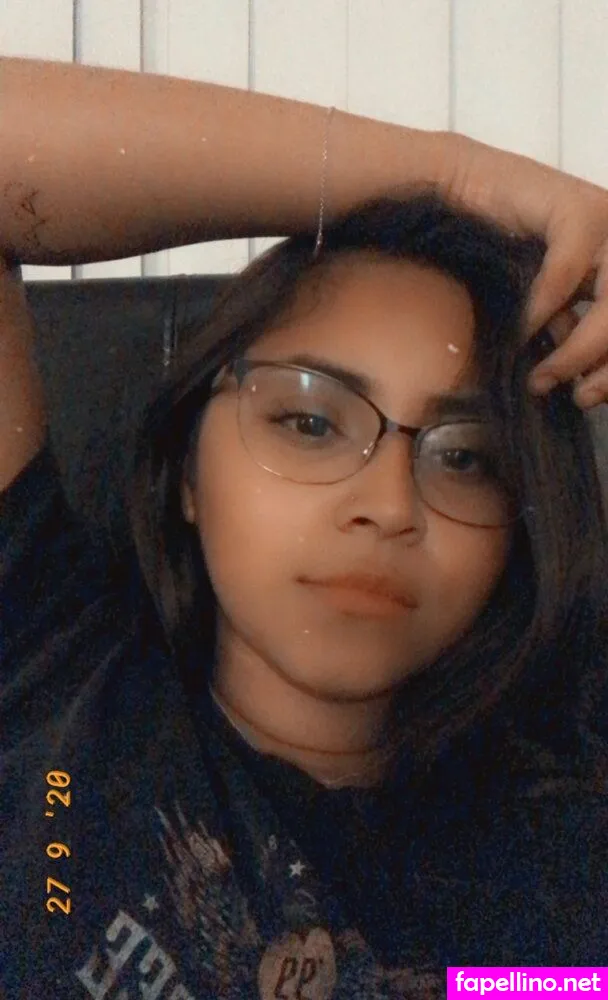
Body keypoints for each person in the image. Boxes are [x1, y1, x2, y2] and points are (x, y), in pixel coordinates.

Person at [0, 56, 607, 1000]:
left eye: (465, 456)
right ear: (188, 470)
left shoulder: (568, 874)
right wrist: (457, 179)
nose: (390, 507)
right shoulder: (48, 668)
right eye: (311, 422)